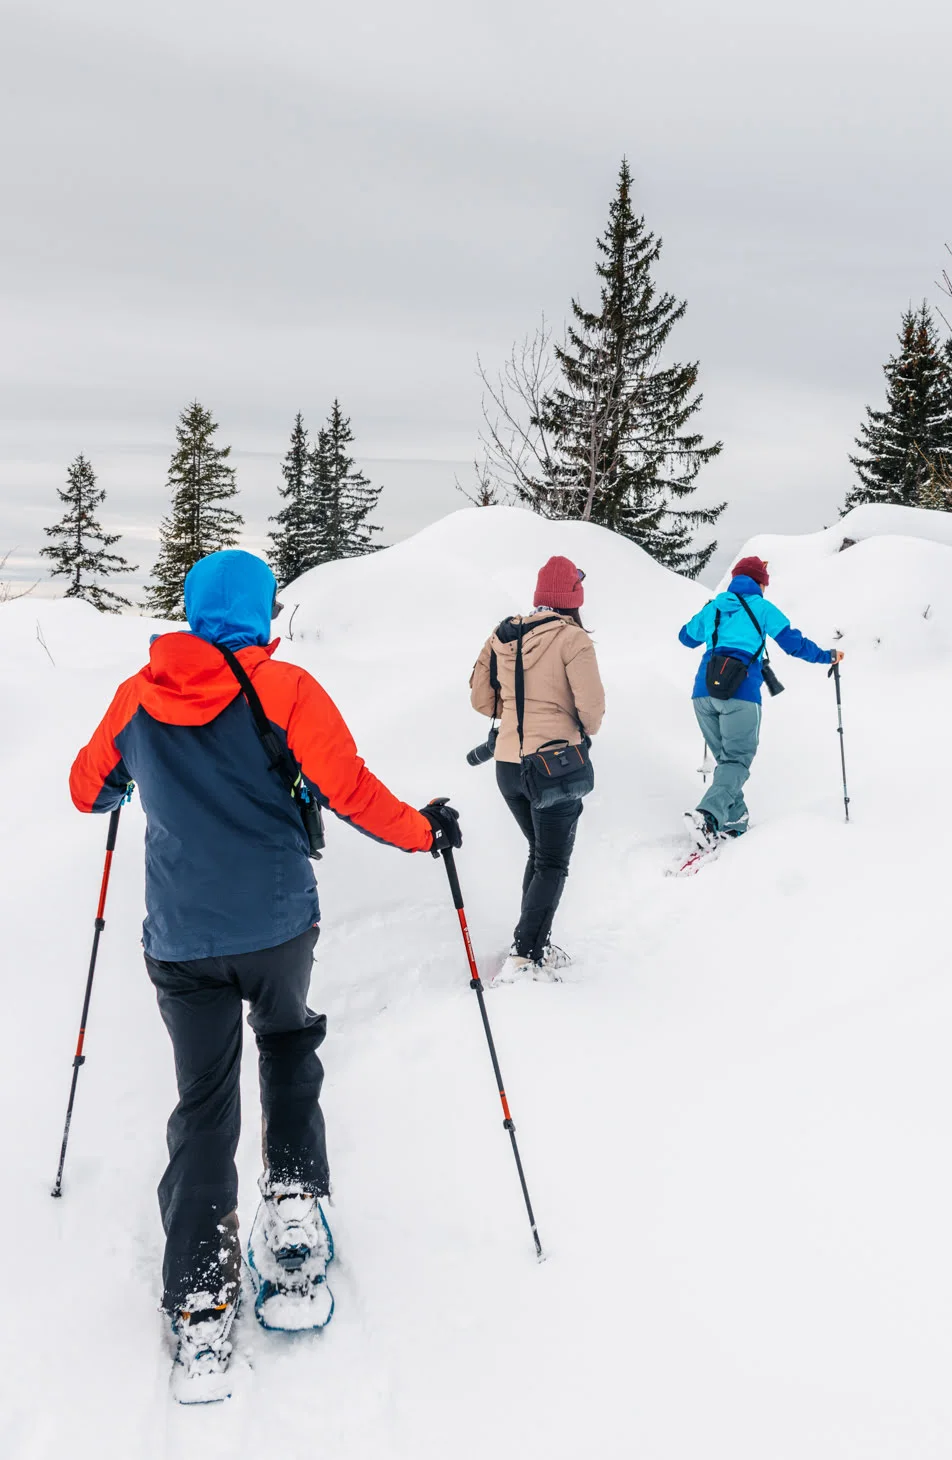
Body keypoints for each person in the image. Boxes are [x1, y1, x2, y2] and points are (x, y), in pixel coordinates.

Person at [69, 549, 460, 1399]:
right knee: (286, 1040)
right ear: (261, 611)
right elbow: (349, 789)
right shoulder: (286, 691)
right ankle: (291, 1200)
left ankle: (201, 1303)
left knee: (204, 1100)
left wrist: (129, 787)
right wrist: (424, 833)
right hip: (279, 923)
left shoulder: (139, 696)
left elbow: (85, 790)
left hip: (180, 938)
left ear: (190, 609)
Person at [469, 555, 605, 976]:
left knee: (540, 853)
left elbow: (480, 700)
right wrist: (572, 728)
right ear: (573, 597)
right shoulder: (573, 639)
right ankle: (526, 955)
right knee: (552, 861)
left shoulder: (503, 635)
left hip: (509, 767)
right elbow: (593, 712)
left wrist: (515, 716)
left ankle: (530, 942)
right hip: (553, 768)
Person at [679, 554, 843, 847]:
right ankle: (707, 816)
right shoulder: (763, 608)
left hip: (703, 694)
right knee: (737, 761)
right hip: (740, 695)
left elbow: (686, 638)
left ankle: (735, 819)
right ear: (761, 584)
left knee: (727, 763)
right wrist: (827, 656)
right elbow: (795, 645)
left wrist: (703, 613)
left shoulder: (715, 606)